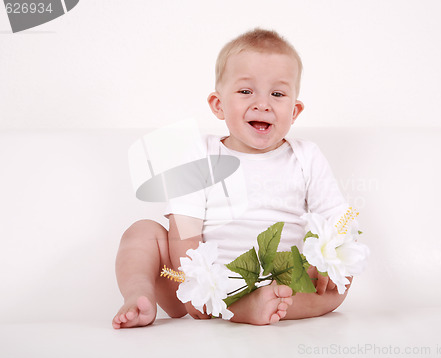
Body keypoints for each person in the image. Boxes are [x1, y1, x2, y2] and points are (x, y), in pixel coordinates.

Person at [112, 28, 352, 328]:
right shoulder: (201, 153)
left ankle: (255, 305)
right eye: (246, 91)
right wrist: (194, 285)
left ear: (295, 110)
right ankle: (139, 294)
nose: (262, 104)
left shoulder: (307, 156)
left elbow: (336, 217)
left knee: (339, 286)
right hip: (204, 279)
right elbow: (184, 227)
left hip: (281, 277)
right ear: (218, 105)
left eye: (277, 94)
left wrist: (330, 260)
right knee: (142, 232)